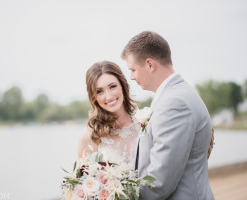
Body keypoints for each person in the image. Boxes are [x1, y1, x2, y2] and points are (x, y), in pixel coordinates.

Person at [121, 31, 215, 199]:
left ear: (150, 64)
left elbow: (159, 183)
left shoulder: (174, 103)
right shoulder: (178, 93)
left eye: (133, 69)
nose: (132, 77)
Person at [77, 61, 140, 168]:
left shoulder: (144, 124)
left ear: (122, 85)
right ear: (94, 97)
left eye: (112, 87)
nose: (109, 97)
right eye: (99, 91)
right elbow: (81, 181)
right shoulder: (89, 136)